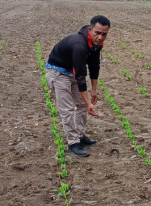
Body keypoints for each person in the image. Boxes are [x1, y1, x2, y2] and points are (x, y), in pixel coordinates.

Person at [45, 15, 110, 157]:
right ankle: (73, 142)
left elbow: (94, 66)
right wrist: (89, 103)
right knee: (67, 109)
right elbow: (80, 76)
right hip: (57, 72)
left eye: (104, 34)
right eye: (97, 33)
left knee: (80, 105)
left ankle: (79, 135)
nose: (100, 37)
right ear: (90, 29)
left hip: (70, 72)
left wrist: (93, 91)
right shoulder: (79, 45)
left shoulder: (96, 45)